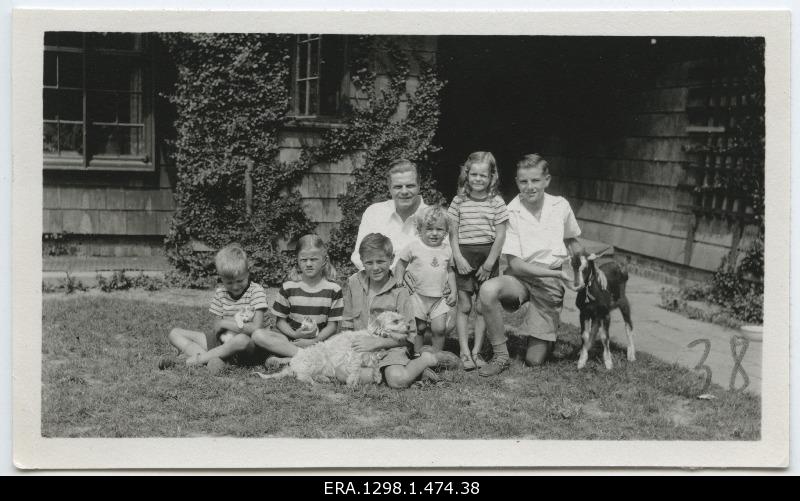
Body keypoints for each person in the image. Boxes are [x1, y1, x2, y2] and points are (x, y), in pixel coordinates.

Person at [478, 154, 602, 377]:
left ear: (547, 180)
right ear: (517, 182)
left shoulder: (560, 205)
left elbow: (572, 241)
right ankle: (501, 355)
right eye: (524, 181)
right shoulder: (511, 211)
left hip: (550, 282)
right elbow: (515, 265)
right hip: (520, 278)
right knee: (488, 290)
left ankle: (544, 337)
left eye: (535, 180)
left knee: (534, 361)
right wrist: (556, 275)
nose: (530, 187)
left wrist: (583, 270)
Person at [342, 233, 441, 388]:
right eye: (369, 263)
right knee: (340, 373)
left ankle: (425, 359)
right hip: (361, 348)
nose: (375, 268)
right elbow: (347, 321)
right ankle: (413, 373)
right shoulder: (354, 283)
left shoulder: (399, 290)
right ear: (361, 261)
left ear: (391, 259)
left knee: (397, 380)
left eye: (381, 261)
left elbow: (410, 335)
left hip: (391, 347)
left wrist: (377, 343)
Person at [447, 151, 509, 371]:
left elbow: (500, 235)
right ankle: (464, 352)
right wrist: (458, 258)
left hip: (487, 256)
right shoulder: (458, 200)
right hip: (464, 255)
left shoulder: (497, 202)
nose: (478, 179)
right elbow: (452, 233)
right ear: (467, 175)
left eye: (483, 175)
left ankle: (478, 351)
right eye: (474, 174)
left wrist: (489, 264)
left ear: (492, 176)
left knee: (483, 307)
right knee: (464, 305)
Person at [164, 244, 268, 372]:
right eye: (229, 283)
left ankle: (196, 360)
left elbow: (255, 328)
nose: (235, 287)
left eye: (240, 281)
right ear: (221, 278)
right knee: (175, 333)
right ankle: (214, 359)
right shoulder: (220, 293)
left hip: (246, 345)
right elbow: (216, 327)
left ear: (248, 273)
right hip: (221, 341)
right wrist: (224, 325)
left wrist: (225, 322)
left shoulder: (256, 291)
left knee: (241, 339)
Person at [252, 235, 344, 364]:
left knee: (339, 343)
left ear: (324, 260)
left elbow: (332, 326)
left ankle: (292, 359)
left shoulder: (334, 289)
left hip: (319, 342)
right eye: (303, 260)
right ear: (297, 261)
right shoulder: (288, 287)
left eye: (314, 259)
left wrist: (313, 341)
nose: (308, 264)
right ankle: (305, 357)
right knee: (258, 335)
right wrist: (296, 335)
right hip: (292, 342)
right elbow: (280, 322)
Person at [395, 205, 458, 354]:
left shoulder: (447, 250)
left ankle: (436, 356)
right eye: (429, 229)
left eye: (439, 229)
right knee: (419, 328)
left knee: (440, 328)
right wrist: (399, 279)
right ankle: (417, 355)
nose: (434, 233)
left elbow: (450, 271)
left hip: (439, 298)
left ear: (446, 231)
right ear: (419, 230)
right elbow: (401, 263)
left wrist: (454, 291)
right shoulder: (413, 247)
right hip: (418, 295)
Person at [350, 159, 432, 270]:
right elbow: (359, 256)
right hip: (379, 282)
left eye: (410, 186)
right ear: (389, 188)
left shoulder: (434, 217)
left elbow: (442, 258)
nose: (404, 192)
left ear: (419, 185)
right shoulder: (374, 213)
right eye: (398, 187)